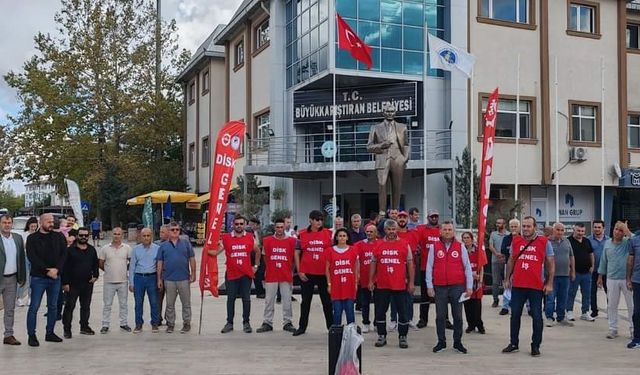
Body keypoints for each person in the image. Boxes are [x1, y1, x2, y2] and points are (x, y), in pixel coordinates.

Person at [502, 216, 554, 357]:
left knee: (537, 316)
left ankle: (535, 345)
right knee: (515, 315)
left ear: (534, 227)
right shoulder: (516, 240)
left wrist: (549, 283)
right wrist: (507, 278)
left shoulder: (544, 242)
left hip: (536, 285)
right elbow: (511, 260)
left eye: (528, 226)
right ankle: (513, 343)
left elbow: (550, 263)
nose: (525, 229)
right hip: (518, 284)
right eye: (523, 226)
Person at [427, 221, 474, 354]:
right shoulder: (434, 247)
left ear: (453, 232)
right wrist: (429, 286)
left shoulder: (460, 247)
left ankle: (457, 342)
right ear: (440, 231)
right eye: (445, 229)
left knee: (458, 316)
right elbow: (429, 267)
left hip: (457, 287)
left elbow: (467, 268)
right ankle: (441, 342)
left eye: (450, 229)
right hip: (440, 287)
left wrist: (469, 287)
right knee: (440, 316)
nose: (447, 231)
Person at [370, 219, 414, 349]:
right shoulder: (377, 245)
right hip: (382, 285)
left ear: (397, 230)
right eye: (389, 229)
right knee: (380, 311)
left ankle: (403, 337)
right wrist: (371, 280)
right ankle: (381, 335)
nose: (391, 232)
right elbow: (373, 263)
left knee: (403, 312)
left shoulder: (405, 244)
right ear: (384, 230)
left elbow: (410, 264)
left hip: (399, 285)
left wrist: (411, 282)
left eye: (393, 229)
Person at [26, 213, 67, 347]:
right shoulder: (32, 238)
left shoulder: (59, 236)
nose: (51, 224)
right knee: (34, 307)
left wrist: (57, 270)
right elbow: (32, 257)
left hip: (55, 277)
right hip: (39, 278)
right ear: (41, 221)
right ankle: (31, 335)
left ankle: (50, 333)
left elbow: (63, 254)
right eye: (48, 221)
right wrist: (47, 270)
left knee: (53, 306)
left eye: (52, 221)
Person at [214, 215, 259, 334]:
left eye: (241, 224)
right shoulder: (227, 238)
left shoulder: (250, 237)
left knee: (246, 299)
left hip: (246, 274)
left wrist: (256, 266)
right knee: (231, 299)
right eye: (237, 224)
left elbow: (257, 251)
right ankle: (229, 323)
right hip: (231, 274)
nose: (239, 226)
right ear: (233, 225)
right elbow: (216, 252)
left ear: (244, 225)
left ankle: (246, 323)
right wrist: (206, 251)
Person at [293, 210, 333, 336]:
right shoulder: (301, 234)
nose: (319, 222)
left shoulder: (328, 234)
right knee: (305, 302)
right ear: (310, 220)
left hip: (323, 273)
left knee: (327, 301)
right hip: (307, 273)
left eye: (321, 220)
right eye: (317, 220)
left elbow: (332, 253)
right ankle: (302, 327)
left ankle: (331, 326)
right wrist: (299, 271)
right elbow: (297, 253)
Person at [256, 218, 296, 333]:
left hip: (286, 273)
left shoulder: (292, 241)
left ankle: (287, 322)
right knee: (269, 300)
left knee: (287, 299)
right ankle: (267, 322)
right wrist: (269, 268)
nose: (279, 229)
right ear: (274, 228)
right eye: (277, 227)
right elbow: (265, 257)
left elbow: (293, 259)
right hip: (271, 274)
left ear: (285, 227)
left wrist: (290, 270)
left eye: (281, 227)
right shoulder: (267, 240)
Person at [157, 222, 196, 334]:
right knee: (170, 304)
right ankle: (170, 324)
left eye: (177, 230)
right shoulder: (163, 246)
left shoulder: (186, 244)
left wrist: (193, 274)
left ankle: (187, 323)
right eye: (172, 230)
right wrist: (159, 279)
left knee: (186, 303)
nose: (175, 231)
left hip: (184, 278)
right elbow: (160, 262)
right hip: (169, 279)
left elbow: (192, 259)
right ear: (168, 231)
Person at [598, 221, 634, 339]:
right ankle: (613, 329)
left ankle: (634, 330)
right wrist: (600, 276)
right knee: (612, 305)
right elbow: (604, 260)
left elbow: (635, 238)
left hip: (627, 279)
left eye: (620, 230)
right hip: (611, 278)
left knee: (631, 306)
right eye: (616, 229)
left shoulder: (628, 242)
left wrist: (626, 230)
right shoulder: (607, 243)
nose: (617, 232)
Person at [62, 227, 99, 338]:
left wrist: (95, 276)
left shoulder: (92, 250)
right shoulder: (69, 250)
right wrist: (65, 283)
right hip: (72, 284)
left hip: (87, 283)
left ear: (88, 236)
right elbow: (64, 267)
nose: (83, 237)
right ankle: (67, 329)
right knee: (69, 307)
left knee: (86, 307)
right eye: (81, 235)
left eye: (86, 235)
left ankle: (84, 327)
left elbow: (95, 264)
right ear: (77, 236)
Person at [99, 226, 132, 334]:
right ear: (112, 235)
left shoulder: (127, 248)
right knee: (107, 304)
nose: (116, 236)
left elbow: (131, 262)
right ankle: (105, 324)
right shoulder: (105, 248)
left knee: (123, 304)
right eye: (115, 234)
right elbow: (101, 263)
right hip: (109, 281)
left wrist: (124, 270)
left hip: (123, 281)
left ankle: (124, 323)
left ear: (122, 235)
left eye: (119, 234)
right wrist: (108, 270)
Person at [0, 215, 27, 345]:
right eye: (4, 222)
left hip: (12, 278)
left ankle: (8, 335)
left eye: (9, 222)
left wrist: (22, 277)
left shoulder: (17, 238)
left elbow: (22, 258)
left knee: (10, 309)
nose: (7, 225)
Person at [129, 228, 160, 333]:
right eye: (144, 236)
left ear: (151, 236)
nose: (146, 238)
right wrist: (131, 283)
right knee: (138, 303)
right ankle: (138, 324)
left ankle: (155, 324)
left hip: (152, 277)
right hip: (139, 278)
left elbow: (159, 265)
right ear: (140, 237)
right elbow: (132, 266)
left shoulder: (157, 248)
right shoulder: (136, 249)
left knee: (154, 302)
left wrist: (159, 280)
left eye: (148, 236)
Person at [325, 228, 359, 326]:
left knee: (350, 312)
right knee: (337, 312)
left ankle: (351, 335)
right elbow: (327, 269)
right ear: (336, 237)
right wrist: (329, 284)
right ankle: (337, 335)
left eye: (344, 236)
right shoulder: (330, 251)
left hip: (349, 284)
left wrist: (356, 282)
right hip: (336, 285)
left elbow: (356, 267)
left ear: (347, 237)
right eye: (340, 236)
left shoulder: (353, 249)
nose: (342, 238)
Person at [392, 211, 419, 331]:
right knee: (394, 296)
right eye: (400, 217)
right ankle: (393, 319)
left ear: (408, 220)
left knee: (409, 295)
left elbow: (417, 251)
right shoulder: (392, 234)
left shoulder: (413, 234)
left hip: (410, 268)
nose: (402, 219)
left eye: (404, 217)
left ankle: (409, 319)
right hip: (395, 269)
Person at [544, 222, 575, 327]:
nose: (560, 232)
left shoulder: (567, 241)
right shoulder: (547, 242)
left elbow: (571, 257)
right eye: (558, 229)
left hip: (565, 275)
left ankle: (561, 318)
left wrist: (573, 270)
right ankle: (549, 317)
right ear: (553, 230)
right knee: (550, 298)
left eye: (562, 230)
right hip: (551, 276)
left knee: (563, 297)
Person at [415, 209, 441, 328]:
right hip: (425, 267)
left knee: (442, 295)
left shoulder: (442, 230)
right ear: (428, 218)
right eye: (432, 217)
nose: (434, 219)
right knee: (425, 295)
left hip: (440, 268)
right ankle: (423, 319)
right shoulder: (421, 229)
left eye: (436, 216)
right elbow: (416, 243)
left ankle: (444, 319)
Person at [567, 222, 595, 322]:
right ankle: (569, 311)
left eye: (582, 231)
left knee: (586, 293)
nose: (580, 233)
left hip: (587, 273)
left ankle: (585, 312)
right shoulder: (568, 241)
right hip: (575, 273)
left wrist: (592, 266)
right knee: (571, 292)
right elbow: (568, 257)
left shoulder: (587, 241)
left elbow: (591, 254)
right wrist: (571, 270)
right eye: (578, 230)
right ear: (574, 230)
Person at [462, 231, 486, 334]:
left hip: (476, 281)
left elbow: (482, 267)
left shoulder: (478, 251)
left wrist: (480, 280)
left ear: (472, 239)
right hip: (466, 280)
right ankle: (470, 325)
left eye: (468, 237)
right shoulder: (461, 250)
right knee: (467, 304)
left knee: (477, 305)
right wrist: (470, 274)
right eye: (464, 238)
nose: (466, 239)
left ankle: (479, 324)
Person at [355, 224, 378, 333]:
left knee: (379, 303)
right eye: (367, 232)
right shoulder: (359, 245)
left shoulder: (380, 243)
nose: (369, 234)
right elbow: (356, 260)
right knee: (365, 303)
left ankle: (377, 323)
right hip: (364, 278)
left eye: (371, 232)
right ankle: (365, 323)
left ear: (376, 233)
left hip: (378, 278)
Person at [499, 219, 521, 315]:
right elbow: (503, 249)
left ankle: (528, 307)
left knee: (523, 285)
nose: (513, 228)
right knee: (507, 285)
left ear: (519, 227)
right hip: (508, 265)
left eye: (515, 226)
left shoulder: (523, 238)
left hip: (521, 265)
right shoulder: (506, 238)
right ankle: (505, 307)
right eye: (512, 226)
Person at [588, 220, 609, 318]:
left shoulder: (609, 241)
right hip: (593, 271)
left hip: (607, 271)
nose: (596, 229)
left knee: (609, 292)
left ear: (603, 228)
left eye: (599, 227)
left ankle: (610, 311)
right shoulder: (588, 240)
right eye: (595, 227)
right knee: (592, 292)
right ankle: (594, 311)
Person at [16, 216, 37, 307]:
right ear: (28, 226)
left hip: (35, 258)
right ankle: (19, 298)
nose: (33, 228)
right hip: (25, 257)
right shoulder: (24, 234)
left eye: (34, 226)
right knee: (24, 278)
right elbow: (22, 247)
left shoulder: (38, 234)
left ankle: (30, 297)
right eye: (31, 226)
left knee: (33, 279)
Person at [490, 218, 508, 308]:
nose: (497, 225)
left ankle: (507, 300)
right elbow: (491, 246)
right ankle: (495, 300)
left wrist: (504, 255)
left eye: (499, 223)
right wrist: (496, 254)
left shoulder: (509, 234)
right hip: (495, 260)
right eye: (497, 223)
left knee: (507, 281)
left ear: (504, 224)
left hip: (506, 261)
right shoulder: (493, 234)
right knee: (495, 282)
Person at [154, 224, 169, 325]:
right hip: (159, 275)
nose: (160, 234)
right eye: (160, 232)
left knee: (170, 299)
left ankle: (169, 318)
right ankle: (157, 318)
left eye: (162, 232)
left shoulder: (173, 244)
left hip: (170, 275)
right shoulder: (156, 244)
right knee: (158, 298)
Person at [627, 230, 640, 349]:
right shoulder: (634, 240)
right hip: (637, 281)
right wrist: (628, 279)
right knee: (637, 312)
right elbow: (630, 261)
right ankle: (637, 339)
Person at [248, 217, 266, 299]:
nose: (251, 226)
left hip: (261, 254)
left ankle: (260, 291)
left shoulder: (261, 233)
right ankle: (259, 291)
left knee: (259, 273)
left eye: (252, 224)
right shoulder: (247, 232)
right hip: (250, 255)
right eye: (250, 224)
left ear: (257, 225)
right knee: (254, 273)